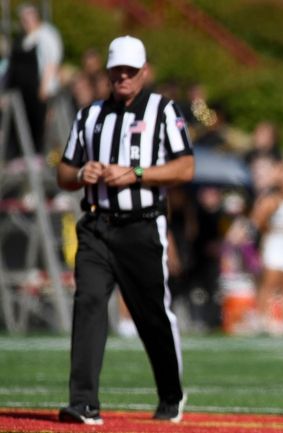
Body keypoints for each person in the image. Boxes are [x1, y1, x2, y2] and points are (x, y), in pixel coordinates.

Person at [56, 35, 193, 425]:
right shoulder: (90, 115)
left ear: (144, 72)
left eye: (131, 71)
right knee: (89, 306)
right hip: (97, 226)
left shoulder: (164, 111)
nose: (123, 77)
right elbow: (64, 172)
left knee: (152, 315)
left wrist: (135, 175)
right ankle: (83, 402)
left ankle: (171, 393)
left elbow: (185, 167)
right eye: (117, 70)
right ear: (108, 72)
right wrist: (84, 173)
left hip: (142, 226)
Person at [250, 164, 283, 335]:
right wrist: (269, 228)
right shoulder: (272, 200)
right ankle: (263, 317)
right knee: (270, 282)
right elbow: (257, 220)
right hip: (274, 242)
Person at [3, 2, 63, 156]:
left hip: (40, 89)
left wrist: (45, 86)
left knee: (41, 125)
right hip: (24, 93)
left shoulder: (46, 34)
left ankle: (42, 154)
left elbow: (52, 62)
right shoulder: (24, 38)